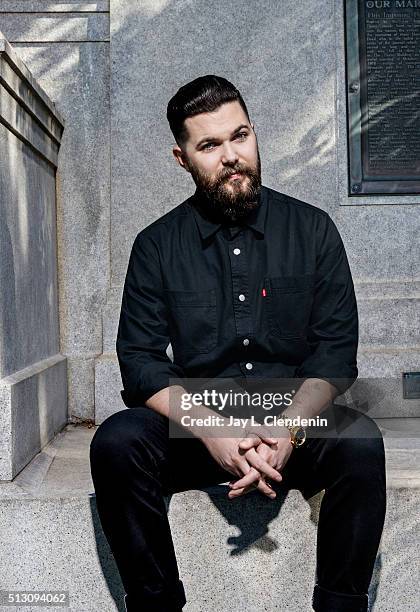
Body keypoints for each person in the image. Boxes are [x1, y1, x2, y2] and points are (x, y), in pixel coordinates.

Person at [89, 75, 386, 612]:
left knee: (361, 442)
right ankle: (156, 603)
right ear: (182, 159)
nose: (231, 155)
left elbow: (335, 353)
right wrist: (213, 430)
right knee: (116, 443)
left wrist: (287, 428)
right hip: (198, 419)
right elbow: (140, 362)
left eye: (240, 136)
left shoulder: (313, 230)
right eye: (210, 146)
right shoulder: (156, 245)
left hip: (292, 418)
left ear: (253, 134)